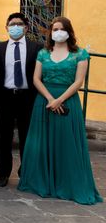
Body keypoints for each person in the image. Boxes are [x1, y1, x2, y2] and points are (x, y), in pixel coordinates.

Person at [18, 17, 102, 205]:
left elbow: (78, 82)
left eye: (62, 29)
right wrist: (50, 99)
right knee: (41, 143)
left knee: (67, 143)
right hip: (45, 101)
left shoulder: (80, 54)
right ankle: (42, 182)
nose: (58, 32)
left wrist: (59, 100)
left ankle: (67, 183)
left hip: (67, 102)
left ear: (69, 31)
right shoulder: (43, 53)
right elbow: (36, 79)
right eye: (54, 29)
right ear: (50, 32)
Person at [0, 12, 43, 187]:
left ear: (26, 27)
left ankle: (26, 171)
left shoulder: (37, 48)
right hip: (5, 97)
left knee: (28, 136)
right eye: (12, 24)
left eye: (19, 24)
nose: (15, 27)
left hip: (27, 97)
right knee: (3, 137)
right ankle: (4, 173)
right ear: (6, 27)